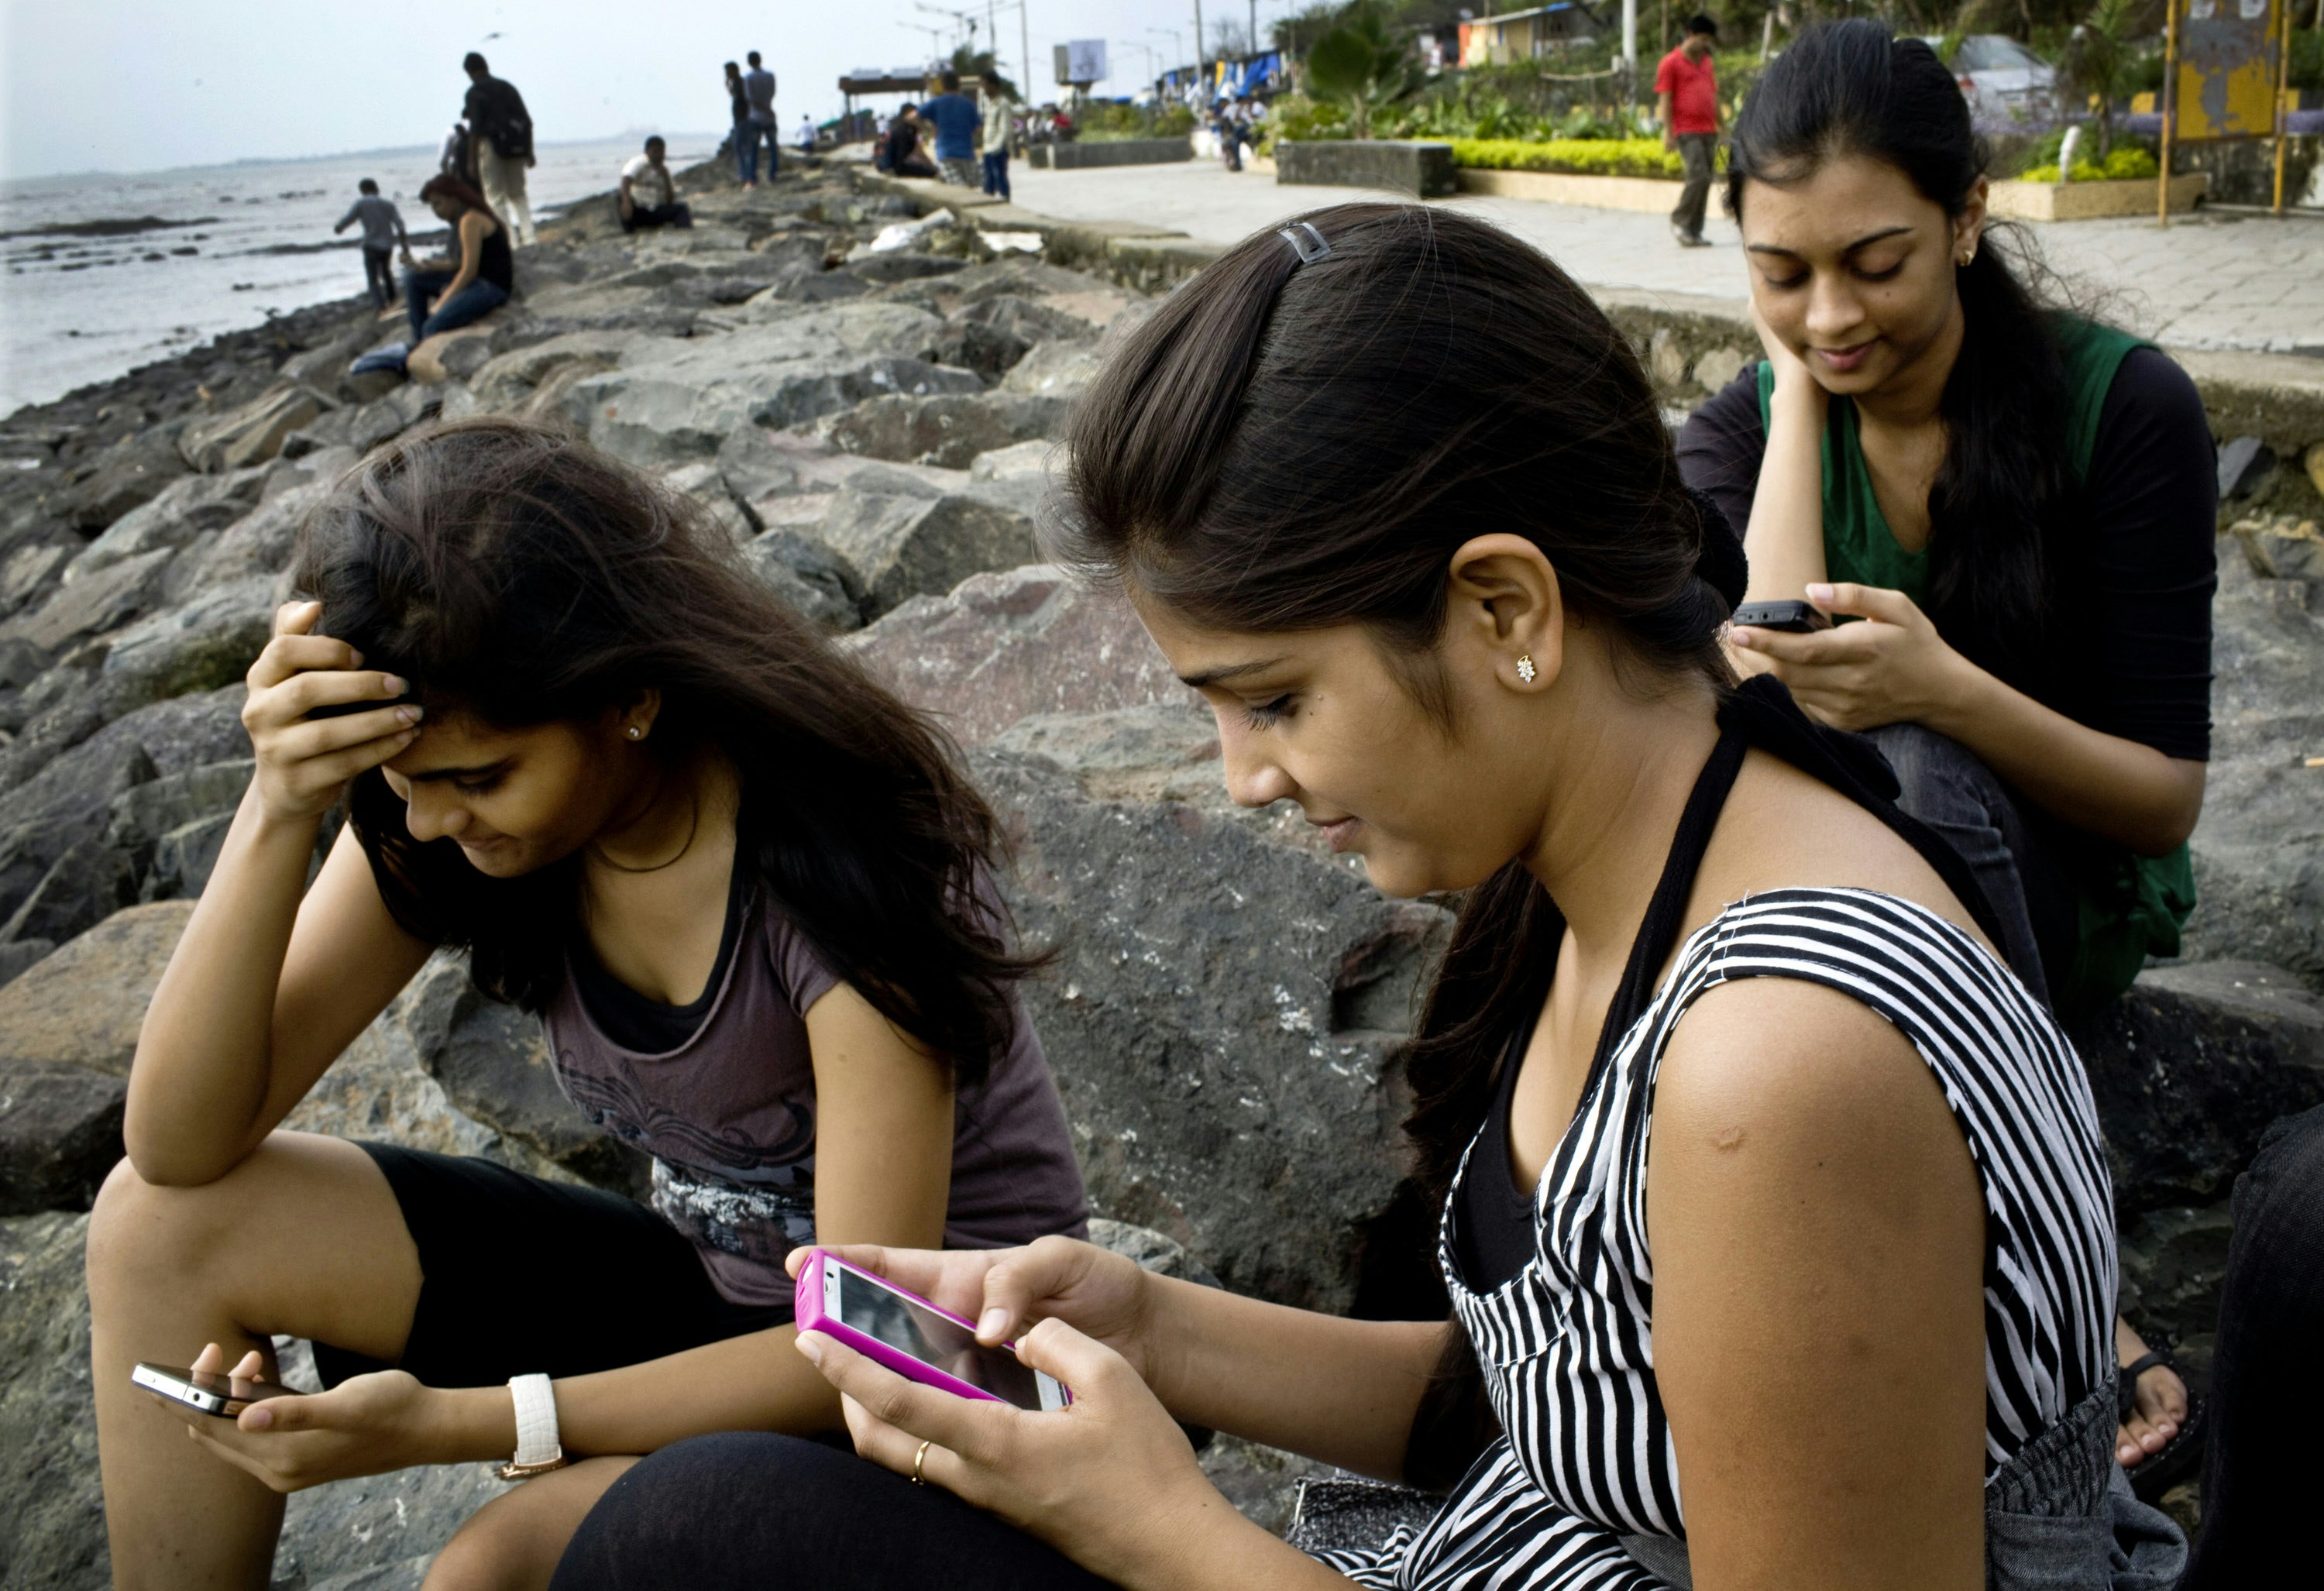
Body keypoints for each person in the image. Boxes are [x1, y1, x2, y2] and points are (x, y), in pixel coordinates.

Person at [546, 203, 2187, 1588]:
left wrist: (1173, 1537)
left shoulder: (1779, 1068)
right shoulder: (1627, 853)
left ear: (1504, 606)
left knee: (710, 1530)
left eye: (1270, 700)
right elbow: (1561, 1413)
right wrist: (1146, 1321)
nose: (1243, 776)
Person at [86, 417, 1092, 1591]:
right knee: (161, 1225)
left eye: (477, 778)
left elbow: (871, 1336)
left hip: (947, 1370)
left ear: (631, 697)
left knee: (489, 1571)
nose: (428, 821)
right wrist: (275, 811)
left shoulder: (842, 870)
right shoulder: (462, 816)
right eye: (401, 783)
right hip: (719, 1298)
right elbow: (175, 1144)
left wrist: (475, 1421)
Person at [1674, 19, 2220, 1498]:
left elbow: (2163, 792)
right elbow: (1759, 686)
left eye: (1876, 261)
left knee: (1908, 745)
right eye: (1782, 272)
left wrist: (1952, 688)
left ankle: (2062, 1268)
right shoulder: (1753, 426)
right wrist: (1795, 389)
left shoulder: (2127, 409)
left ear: (1968, 220)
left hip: (2059, 887)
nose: (1831, 310)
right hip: (1844, 922)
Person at [397, 174, 512, 349]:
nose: (435, 211)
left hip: (491, 287)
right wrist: (430, 266)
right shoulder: (461, 219)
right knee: (414, 279)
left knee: (433, 326)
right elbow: (459, 262)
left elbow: (468, 270)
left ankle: (424, 351)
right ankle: (418, 344)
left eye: (438, 204)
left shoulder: (470, 220)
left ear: (454, 198)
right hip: (477, 282)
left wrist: (443, 302)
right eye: (432, 206)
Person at [1655, 15, 1721, 247]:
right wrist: (1668, 133)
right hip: (1686, 130)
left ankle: (1693, 231)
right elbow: (1665, 99)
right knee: (1698, 174)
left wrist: (1721, 126)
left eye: (1708, 40)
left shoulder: (1706, 63)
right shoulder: (1670, 63)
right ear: (1690, 34)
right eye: (1703, 39)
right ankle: (1680, 219)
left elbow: (1713, 95)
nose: (1705, 44)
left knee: (1706, 179)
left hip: (1708, 129)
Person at [462, 52, 536, 247]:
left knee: (495, 196)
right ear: (486, 66)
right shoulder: (507, 87)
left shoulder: (474, 93)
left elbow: (475, 129)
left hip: (490, 145)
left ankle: (511, 241)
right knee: (518, 193)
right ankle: (529, 237)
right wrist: (529, 150)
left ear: (469, 72)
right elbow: (527, 121)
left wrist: (471, 160)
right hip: (516, 145)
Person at [333, 178, 411, 312]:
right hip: (387, 245)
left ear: (362, 190)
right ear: (376, 188)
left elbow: (349, 218)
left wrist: (339, 227)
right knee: (386, 272)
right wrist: (404, 245)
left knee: (373, 278)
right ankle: (392, 299)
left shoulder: (361, 203)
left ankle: (380, 305)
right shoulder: (387, 204)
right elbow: (400, 224)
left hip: (370, 244)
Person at [920, 70, 982, 187]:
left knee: (957, 189)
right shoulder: (969, 104)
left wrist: (929, 130)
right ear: (958, 85)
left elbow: (912, 117)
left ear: (943, 85)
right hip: (967, 153)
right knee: (972, 189)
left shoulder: (936, 103)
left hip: (946, 154)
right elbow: (978, 129)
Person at [618, 136, 692, 232]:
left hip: (654, 210)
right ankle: (629, 230)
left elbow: (670, 200)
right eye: (655, 151)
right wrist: (626, 200)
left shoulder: (664, 170)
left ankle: (684, 232)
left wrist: (665, 178)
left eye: (661, 152)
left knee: (681, 209)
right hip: (638, 208)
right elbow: (626, 178)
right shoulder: (639, 162)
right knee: (620, 198)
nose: (659, 155)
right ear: (647, 151)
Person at [740, 50, 779, 186]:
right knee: (773, 148)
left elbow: (750, 99)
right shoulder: (770, 75)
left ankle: (752, 178)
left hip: (756, 117)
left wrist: (764, 108)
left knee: (754, 150)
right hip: (769, 117)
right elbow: (773, 92)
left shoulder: (749, 77)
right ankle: (772, 176)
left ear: (749, 62)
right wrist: (768, 108)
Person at [882, 104, 938, 179]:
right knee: (932, 173)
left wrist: (930, 164)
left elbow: (919, 152)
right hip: (897, 167)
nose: (918, 116)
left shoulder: (909, 129)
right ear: (906, 115)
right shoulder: (905, 131)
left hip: (898, 165)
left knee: (932, 170)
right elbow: (901, 157)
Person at [979, 83, 1014, 201]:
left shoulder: (1003, 103)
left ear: (993, 85)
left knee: (1000, 179)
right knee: (989, 182)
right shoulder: (990, 104)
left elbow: (1005, 128)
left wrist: (998, 146)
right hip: (988, 148)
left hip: (998, 148)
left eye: (985, 85)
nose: (984, 89)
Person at [723, 61, 751, 181]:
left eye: (728, 71)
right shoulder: (736, 83)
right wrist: (728, 84)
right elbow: (733, 95)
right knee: (741, 147)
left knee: (741, 147)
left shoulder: (742, 82)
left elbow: (746, 99)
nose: (727, 74)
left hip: (743, 119)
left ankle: (745, 174)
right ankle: (745, 173)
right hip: (739, 119)